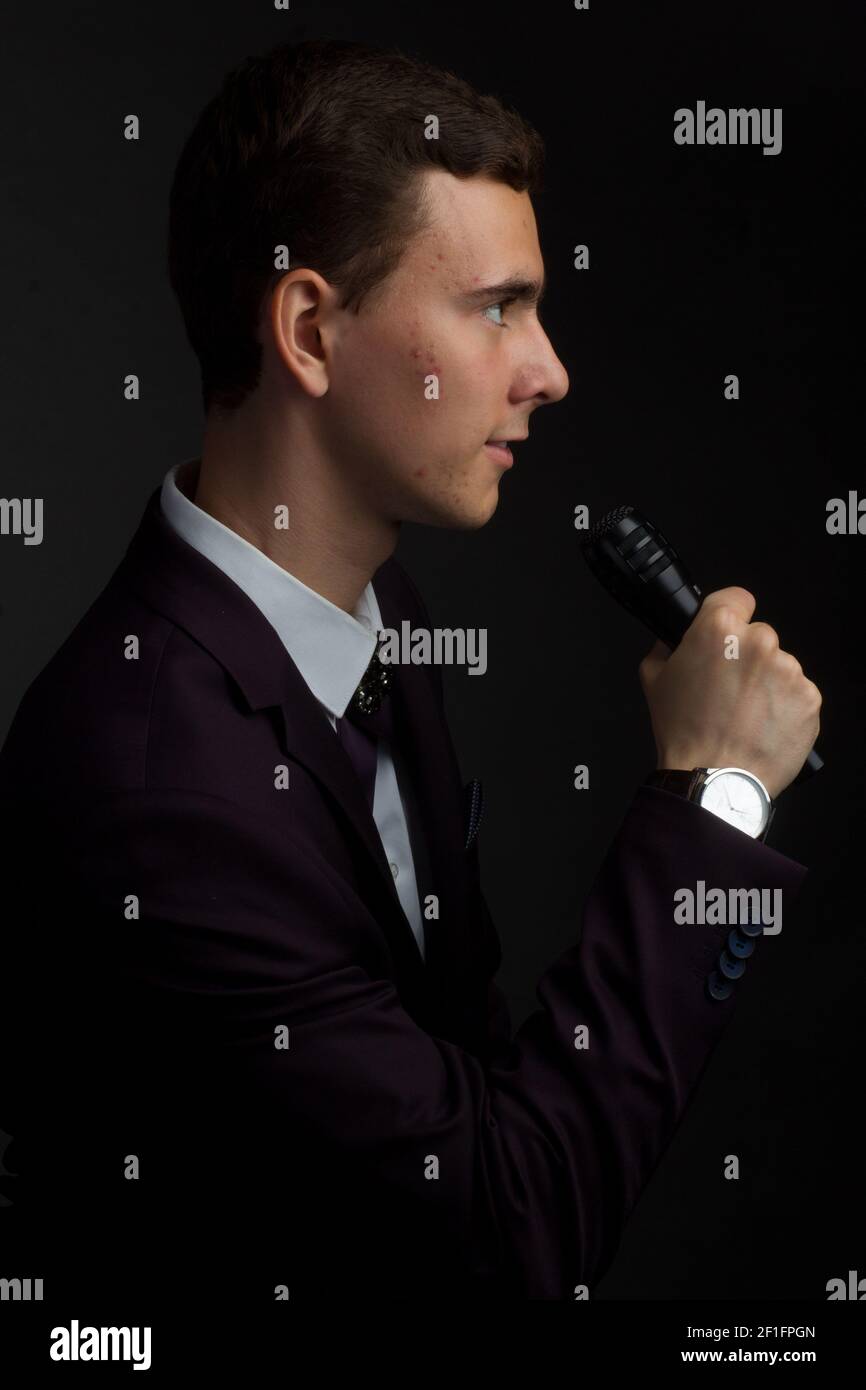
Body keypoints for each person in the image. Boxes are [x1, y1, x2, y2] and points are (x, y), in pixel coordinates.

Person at [0, 37, 820, 1303]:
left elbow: (461, 1077)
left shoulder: (378, 615)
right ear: (311, 332)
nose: (548, 372)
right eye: (498, 307)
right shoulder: (156, 788)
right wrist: (712, 797)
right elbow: (505, 1233)